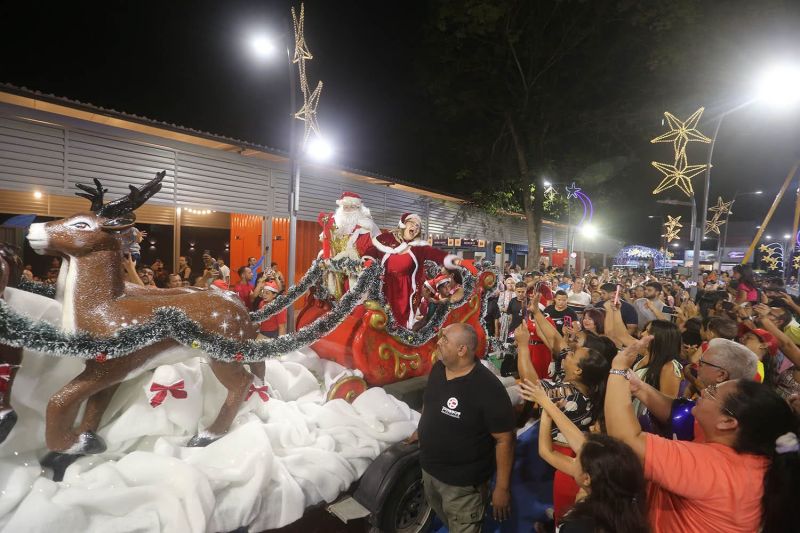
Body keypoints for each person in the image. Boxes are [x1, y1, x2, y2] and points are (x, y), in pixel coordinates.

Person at [606, 335, 800, 533]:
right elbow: (673, 409)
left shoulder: (715, 468)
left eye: (713, 391)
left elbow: (626, 440)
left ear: (727, 422)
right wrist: (638, 387)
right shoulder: (744, 445)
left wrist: (618, 368)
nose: (703, 392)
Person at [409, 323, 514, 531]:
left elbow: (505, 439)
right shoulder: (439, 368)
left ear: (461, 350)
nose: (438, 342)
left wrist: (502, 487)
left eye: (445, 339)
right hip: (430, 472)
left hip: (463, 486)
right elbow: (429, 401)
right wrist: (420, 429)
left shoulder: (488, 388)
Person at [516, 306, 610, 523]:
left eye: (575, 352)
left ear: (578, 370)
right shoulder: (578, 382)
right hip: (568, 450)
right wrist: (538, 315)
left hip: (569, 457)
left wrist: (522, 347)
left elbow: (532, 386)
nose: (570, 350)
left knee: (566, 507)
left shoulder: (571, 396)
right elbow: (556, 342)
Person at [519, 381, 649, 533]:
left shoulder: (579, 527)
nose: (591, 428)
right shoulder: (616, 478)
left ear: (587, 478)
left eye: (578, 459)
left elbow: (559, 450)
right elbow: (558, 449)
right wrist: (548, 409)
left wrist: (547, 404)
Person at [362, 213, 460, 328]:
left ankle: (400, 337)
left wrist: (457, 261)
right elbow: (371, 252)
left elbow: (437, 254)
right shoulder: (385, 239)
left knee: (400, 320)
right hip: (385, 285)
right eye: (412, 223)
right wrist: (368, 261)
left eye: (418, 226)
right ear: (403, 224)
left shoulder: (418, 247)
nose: (416, 227)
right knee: (381, 316)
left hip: (406, 290)